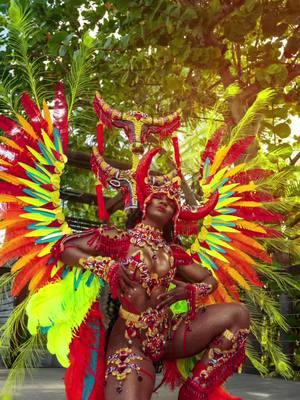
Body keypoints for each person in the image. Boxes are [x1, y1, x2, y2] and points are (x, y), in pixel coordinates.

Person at [58, 175, 250, 400]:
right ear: (145, 203)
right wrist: (106, 268)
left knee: (238, 315)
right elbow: (64, 248)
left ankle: (193, 392)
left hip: (169, 334)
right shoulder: (118, 239)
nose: (165, 202)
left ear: (173, 216)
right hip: (131, 339)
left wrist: (187, 292)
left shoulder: (174, 253)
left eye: (171, 204)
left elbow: (209, 280)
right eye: (158, 197)